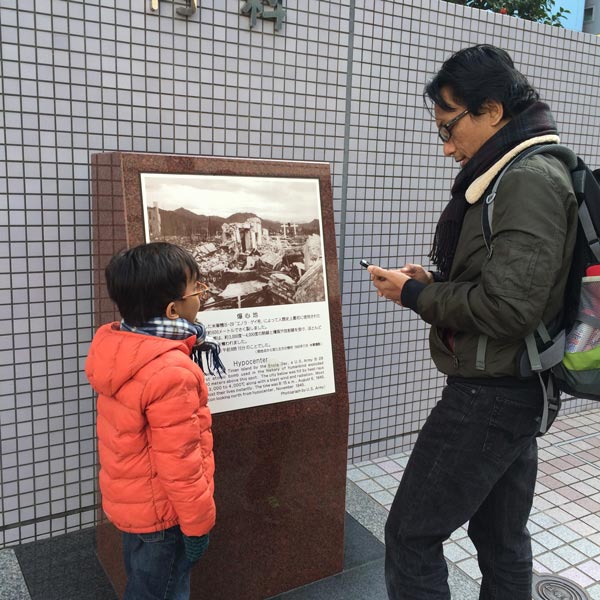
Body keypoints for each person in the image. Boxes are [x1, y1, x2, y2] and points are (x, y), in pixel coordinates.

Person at [367, 45, 579, 600]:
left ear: (491, 109)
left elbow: (509, 309)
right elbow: (509, 288)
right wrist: (435, 286)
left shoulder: (527, 178)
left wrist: (417, 295)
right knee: (500, 535)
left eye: (449, 126)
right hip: (517, 386)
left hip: (492, 395)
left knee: (411, 534)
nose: (446, 147)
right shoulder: (513, 168)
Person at [85, 242, 217, 600]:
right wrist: (197, 526)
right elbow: (181, 462)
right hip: (167, 516)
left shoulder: (119, 346)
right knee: (164, 590)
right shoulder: (171, 371)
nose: (202, 296)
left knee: (142, 582)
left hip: (134, 503)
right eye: (198, 289)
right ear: (174, 310)